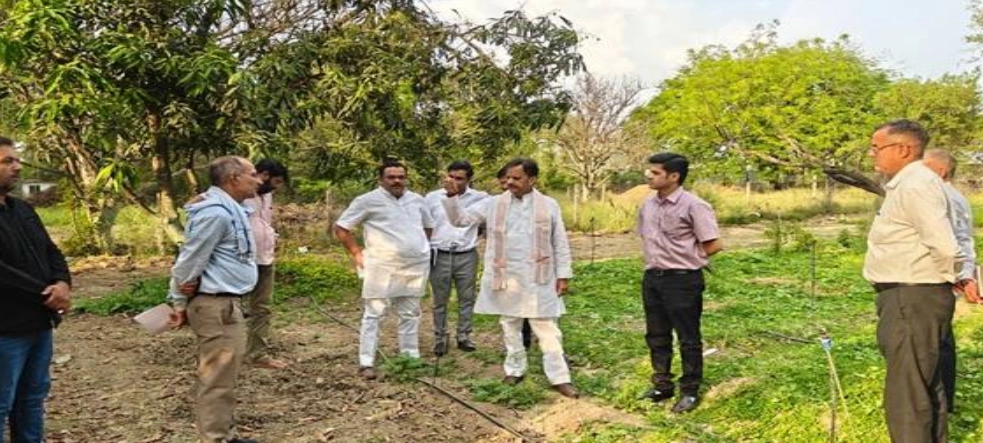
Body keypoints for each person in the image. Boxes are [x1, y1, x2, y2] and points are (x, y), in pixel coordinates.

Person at [442, 158, 578, 398]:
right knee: (510, 325)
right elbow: (460, 220)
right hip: (508, 277)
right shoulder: (493, 203)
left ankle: (560, 378)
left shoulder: (549, 204)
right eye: (508, 178)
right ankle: (514, 370)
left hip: (539, 277)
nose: (510, 182)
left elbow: (559, 241)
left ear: (532, 179)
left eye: (516, 178)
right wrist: (452, 198)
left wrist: (564, 275)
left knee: (548, 329)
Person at [864, 120, 963, 443]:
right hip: (914, 295)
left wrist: (952, 277)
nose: (872, 154)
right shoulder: (911, 183)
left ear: (904, 149)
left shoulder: (916, 185)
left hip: (912, 296)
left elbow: (944, 243)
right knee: (924, 384)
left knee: (906, 395)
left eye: (877, 147)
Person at [167, 156, 263, 443]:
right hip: (214, 304)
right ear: (234, 178)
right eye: (252, 174)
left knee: (226, 376)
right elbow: (189, 260)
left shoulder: (231, 209)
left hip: (226, 303)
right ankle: (215, 438)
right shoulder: (217, 214)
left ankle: (225, 434)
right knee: (217, 379)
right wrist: (178, 300)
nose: (258, 180)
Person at [636, 152, 723, 414]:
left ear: (674, 176)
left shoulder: (694, 206)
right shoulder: (647, 205)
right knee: (656, 335)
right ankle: (662, 385)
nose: (649, 176)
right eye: (649, 171)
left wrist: (687, 259)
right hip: (653, 278)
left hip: (682, 280)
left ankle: (690, 391)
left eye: (655, 172)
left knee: (688, 338)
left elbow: (714, 244)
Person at [334, 159, 434, 380]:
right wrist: (356, 253)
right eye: (391, 177)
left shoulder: (417, 200)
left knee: (410, 313)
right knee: (375, 313)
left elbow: (428, 227)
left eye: (401, 177)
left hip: (415, 264)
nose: (396, 181)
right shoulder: (367, 200)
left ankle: (410, 358)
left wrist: (417, 247)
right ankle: (366, 362)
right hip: (381, 264)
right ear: (380, 179)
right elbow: (341, 228)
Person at [0, 137, 72, 443]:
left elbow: (51, 251)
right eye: (7, 161)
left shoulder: (21, 208)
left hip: (39, 324)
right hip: (5, 328)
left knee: (31, 399)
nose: (17, 167)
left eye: (17, 160)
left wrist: (62, 283)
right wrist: (46, 293)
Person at [921, 148, 978, 413]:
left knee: (936, 342)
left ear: (941, 170)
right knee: (939, 338)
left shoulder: (944, 197)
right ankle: (942, 400)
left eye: (924, 166)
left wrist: (963, 275)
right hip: (940, 277)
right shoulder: (945, 196)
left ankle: (938, 402)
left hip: (935, 279)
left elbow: (958, 242)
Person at [426, 160, 489, 356]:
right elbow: (425, 224)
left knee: (467, 297)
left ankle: (464, 336)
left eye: (459, 178)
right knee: (439, 299)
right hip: (440, 253)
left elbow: (484, 222)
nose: (453, 182)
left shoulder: (481, 198)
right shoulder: (432, 197)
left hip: (466, 253)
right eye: (451, 177)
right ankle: (440, 337)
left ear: (469, 179)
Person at [242, 159, 290, 369]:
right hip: (239, 260)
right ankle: (222, 353)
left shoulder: (267, 196)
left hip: (264, 258)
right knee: (229, 307)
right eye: (276, 182)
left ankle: (256, 354)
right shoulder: (239, 194)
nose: (276, 187)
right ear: (264, 175)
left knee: (262, 308)